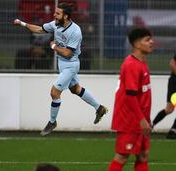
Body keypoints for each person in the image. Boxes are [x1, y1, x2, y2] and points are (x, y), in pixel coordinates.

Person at [14, 2, 108, 135]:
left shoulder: (75, 31)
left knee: (54, 92)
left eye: (58, 13)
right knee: (76, 89)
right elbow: (40, 29)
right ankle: (99, 108)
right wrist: (23, 24)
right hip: (61, 63)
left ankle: (52, 122)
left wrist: (53, 46)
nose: (54, 15)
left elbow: (68, 53)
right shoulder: (55, 24)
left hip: (71, 65)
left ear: (66, 16)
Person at [102, 28, 157, 171]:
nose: (151, 42)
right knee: (122, 156)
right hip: (130, 120)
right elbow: (131, 95)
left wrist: (145, 119)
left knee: (142, 155)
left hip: (140, 120)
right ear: (137, 43)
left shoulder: (142, 62)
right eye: (148, 39)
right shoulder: (132, 64)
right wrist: (141, 120)